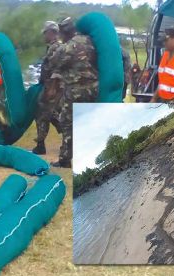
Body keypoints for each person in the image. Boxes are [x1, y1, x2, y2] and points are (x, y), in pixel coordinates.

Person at [49, 17, 98, 168]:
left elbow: (53, 62)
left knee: (67, 122)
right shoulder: (90, 40)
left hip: (76, 92)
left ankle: (65, 160)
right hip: (94, 89)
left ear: (63, 32)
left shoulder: (67, 48)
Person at [32, 21, 63, 155]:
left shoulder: (56, 48)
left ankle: (41, 145)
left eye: (45, 33)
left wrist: (51, 89)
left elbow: (56, 70)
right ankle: (41, 144)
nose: (44, 35)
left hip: (52, 87)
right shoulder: (53, 47)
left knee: (42, 114)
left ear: (51, 32)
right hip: (51, 86)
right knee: (50, 115)